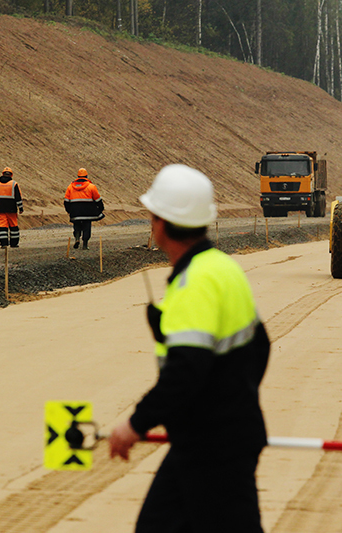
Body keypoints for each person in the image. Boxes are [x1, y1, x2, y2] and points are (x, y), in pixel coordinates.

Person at [109, 164, 270, 533]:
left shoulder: (192, 283)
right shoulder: (223, 269)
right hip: (216, 438)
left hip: (213, 446)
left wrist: (135, 424)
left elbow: (186, 372)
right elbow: (258, 347)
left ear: (161, 224)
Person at [64, 168, 105, 250]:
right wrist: (101, 209)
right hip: (88, 213)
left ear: (78, 176)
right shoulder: (91, 187)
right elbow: (98, 200)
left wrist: (69, 211)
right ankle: (85, 245)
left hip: (75, 212)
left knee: (77, 225)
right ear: (86, 176)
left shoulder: (70, 187)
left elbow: (66, 201)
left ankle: (77, 238)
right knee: (87, 227)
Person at [0, 167, 23, 248]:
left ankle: (4, 244)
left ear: (3, 174)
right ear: (11, 175)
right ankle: (14, 244)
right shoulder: (14, 184)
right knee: (13, 227)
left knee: (2, 227)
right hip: (12, 209)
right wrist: (21, 208)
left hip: (0, 209)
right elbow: (18, 197)